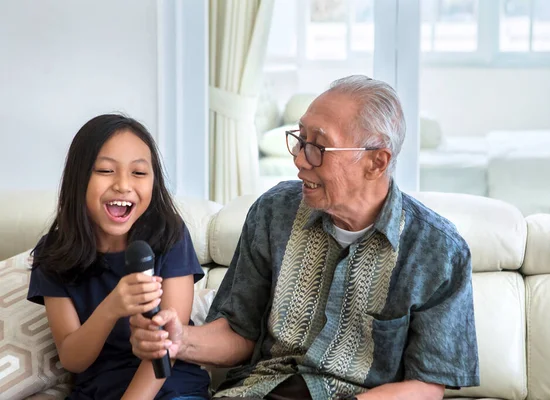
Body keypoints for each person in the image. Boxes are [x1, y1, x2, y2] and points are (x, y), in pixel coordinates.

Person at [130, 75, 480, 400]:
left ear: (376, 162)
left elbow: (427, 385)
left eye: (318, 147)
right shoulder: (274, 212)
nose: (299, 159)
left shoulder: (438, 251)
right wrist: (180, 341)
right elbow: (239, 333)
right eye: (300, 140)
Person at [27, 114, 210, 400]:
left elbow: (168, 345)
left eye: (138, 173)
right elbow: (73, 359)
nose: (123, 185)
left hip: (168, 386)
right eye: (105, 170)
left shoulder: (169, 235)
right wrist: (112, 306)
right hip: (97, 391)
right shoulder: (55, 252)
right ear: (79, 178)